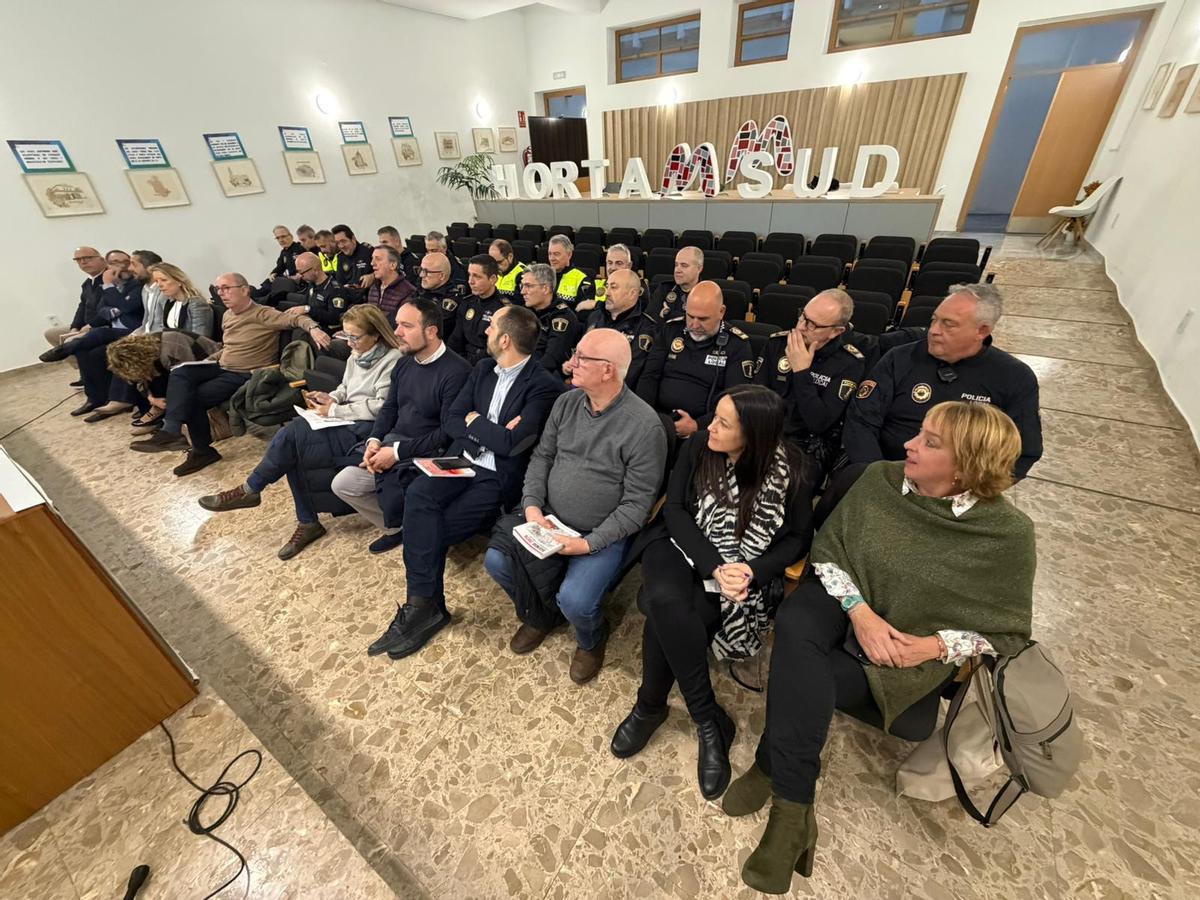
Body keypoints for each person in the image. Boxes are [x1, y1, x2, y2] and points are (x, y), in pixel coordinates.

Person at [726, 402, 1035, 894]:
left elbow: (1007, 632)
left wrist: (933, 647)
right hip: (847, 604)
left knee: (807, 677)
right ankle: (793, 808)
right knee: (798, 620)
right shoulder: (881, 480)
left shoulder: (1007, 535)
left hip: (906, 648)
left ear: (969, 464)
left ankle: (772, 769)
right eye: (920, 433)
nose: (910, 443)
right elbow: (830, 549)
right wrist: (860, 612)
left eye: (931, 442)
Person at [611, 385, 813, 799]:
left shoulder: (792, 468)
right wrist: (714, 567)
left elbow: (796, 537)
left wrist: (751, 571)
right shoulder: (701, 446)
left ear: (753, 434)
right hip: (681, 547)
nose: (710, 427)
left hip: (743, 566)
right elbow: (675, 510)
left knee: (666, 617)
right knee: (667, 600)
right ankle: (708, 719)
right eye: (714, 417)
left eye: (724, 422)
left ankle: (650, 706)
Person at [368, 305, 566, 659]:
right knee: (418, 496)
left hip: (496, 476)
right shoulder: (483, 368)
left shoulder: (544, 385)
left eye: (491, 329)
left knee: (430, 530)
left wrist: (475, 422)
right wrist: (482, 426)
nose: (485, 332)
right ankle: (424, 605)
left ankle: (426, 609)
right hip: (459, 459)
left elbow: (512, 445)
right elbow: (453, 418)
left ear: (505, 339)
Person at [484, 329, 668, 684]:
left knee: (577, 601)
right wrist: (534, 508)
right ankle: (541, 614)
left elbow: (636, 506)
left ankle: (590, 637)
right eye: (575, 353)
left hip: (599, 533)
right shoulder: (566, 402)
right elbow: (542, 458)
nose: (573, 362)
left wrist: (586, 544)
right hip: (549, 518)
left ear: (608, 370)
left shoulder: (645, 428)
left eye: (583, 358)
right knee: (496, 560)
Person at [196, 305, 404, 559]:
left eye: (355, 337)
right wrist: (330, 397)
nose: (349, 343)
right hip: (345, 418)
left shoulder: (392, 360)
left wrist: (334, 411)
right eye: (346, 336)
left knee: (292, 437)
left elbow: (381, 407)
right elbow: (345, 388)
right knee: (294, 442)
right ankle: (302, 519)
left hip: (366, 429)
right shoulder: (356, 354)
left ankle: (253, 491)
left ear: (376, 335)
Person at [130, 273, 332, 476]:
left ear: (245, 290)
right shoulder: (228, 315)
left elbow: (296, 319)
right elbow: (229, 348)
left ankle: (195, 447)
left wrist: (314, 329)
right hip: (222, 365)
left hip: (245, 373)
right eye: (219, 289)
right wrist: (207, 361)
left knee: (193, 398)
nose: (222, 294)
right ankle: (173, 430)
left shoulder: (263, 314)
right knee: (180, 371)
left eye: (227, 288)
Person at [842, 283, 1043, 478]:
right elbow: (861, 421)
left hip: (957, 487)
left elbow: (1021, 453)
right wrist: (878, 477)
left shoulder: (1014, 377)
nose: (934, 330)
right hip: (884, 470)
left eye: (949, 324)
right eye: (934, 320)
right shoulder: (900, 358)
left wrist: (966, 491)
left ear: (982, 331)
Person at [330, 296, 471, 553]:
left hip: (428, 454)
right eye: (397, 324)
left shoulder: (457, 371)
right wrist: (374, 441)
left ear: (431, 331)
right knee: (343, 483)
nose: (396, 332)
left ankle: (413, 524)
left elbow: (448, 433)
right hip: (393, 444)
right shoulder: (404, 362)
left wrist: (394, 454)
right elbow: (389, 408)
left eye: (406, 326)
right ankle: (397, 528)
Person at [755, 289, 866, 473]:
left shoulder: (849, 363)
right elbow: (755, 395)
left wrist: (801, 372)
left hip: (807, 445)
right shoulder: (778, 344)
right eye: (802, 317)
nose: (800, 327)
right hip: (764, 431)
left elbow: (819, 422)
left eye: (812, 325)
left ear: (836, 331)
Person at [637, 281, 755, 443]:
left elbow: (735, 400)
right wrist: (647, 417)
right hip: (658, 420)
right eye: (690, 316)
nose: (694, 324)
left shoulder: (737, 344)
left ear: (721, 312)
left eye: (703, 319)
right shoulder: (671, 329)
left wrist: (697, 426)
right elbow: (649, 377)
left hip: (706, 431)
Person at [40, 252, 145, 417]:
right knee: (90, 352)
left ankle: (66, 349)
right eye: (115, 262)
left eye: (126, 261)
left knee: (98, 334)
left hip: (131, 330)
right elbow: (101, 310)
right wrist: (112, 307)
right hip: (113, 329)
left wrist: (110, 290)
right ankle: (96, 399)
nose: (122, 266)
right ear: (108, 265)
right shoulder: (104, 284)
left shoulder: (136, 284)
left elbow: (127, 307)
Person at [106, 330, 224, 436]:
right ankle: (161, 417)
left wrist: (172, 401)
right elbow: (141, 379)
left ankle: (172, 425)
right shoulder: (149, 350)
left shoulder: (171, 347)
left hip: (215, 365)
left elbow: (188, 376)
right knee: (152, 375)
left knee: (164, 377)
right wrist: (152, 399)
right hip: (185, 370)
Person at [583, 268, 658, 390]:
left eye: (614, 287)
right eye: (607, 286)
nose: (606, 292)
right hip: (585, 386)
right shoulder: (595, 317)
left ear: (632, 293)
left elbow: (630, 373)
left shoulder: (646, 328)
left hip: (617, 395)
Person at [43, 246, 108, 353]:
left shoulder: (110, 278)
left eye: (88, 258)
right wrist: (75, 327)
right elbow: (82, 307)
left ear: (101, 259)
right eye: (78, 260)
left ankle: (87, 366)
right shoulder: (87, 284)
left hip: (103, 324)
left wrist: (91, 325)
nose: (83, 262)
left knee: (71, 341)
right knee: (51, 334)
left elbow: (112, 307)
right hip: (87, 325)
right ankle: (81, 365)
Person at [520, 262, 581, 374]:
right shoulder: (525, 312)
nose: (522, 291)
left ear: (545, 289)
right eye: (522, 286)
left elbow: (550, 361)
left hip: (543, 378)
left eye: (528, 286)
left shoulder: (562, 318)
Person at [448, 254, 508, 364]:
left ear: (493, 279)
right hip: (463, 359)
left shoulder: (503, 309)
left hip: (487, 364)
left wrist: (466, 364)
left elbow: (494, 350)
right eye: (469, 275)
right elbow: (456, 338)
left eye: (477, 276)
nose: (470, 281)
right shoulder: (467, 303)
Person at [288, 251, 355, 332]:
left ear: (315, 270)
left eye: (302, 272)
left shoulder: (335, 290)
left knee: (297, 332)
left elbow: (335, 318)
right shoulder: (312, 284)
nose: (300, 276)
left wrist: (309, 310)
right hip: (313, 325)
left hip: (327, 331)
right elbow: (306, 303)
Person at [413, 252, 469, 342]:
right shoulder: (421, 288)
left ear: (442, 276)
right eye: (420, 270)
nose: (421, 275)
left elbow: (432, 327)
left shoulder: (451, 298)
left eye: (426, 272)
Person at [150, 263, 214, 337]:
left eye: (164, 280)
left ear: (179, 281)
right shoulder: (165, 300)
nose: (159, 285)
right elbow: (159, 329)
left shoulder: (196, 303)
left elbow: (201, 337)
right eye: (156, 281)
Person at [649, 246, 703, 322]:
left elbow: (706, 324)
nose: (677, 270)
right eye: (676, 265)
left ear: (699, 268)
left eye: (684, 266)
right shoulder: (664, 289)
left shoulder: (708, 294)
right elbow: (648, 321)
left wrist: (668, 314)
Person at [365, 246, 416, 326]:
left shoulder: (408, 292)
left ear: (393, 265)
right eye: (372, 259)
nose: (372, 263)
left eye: (378, 259)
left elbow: (401, 323)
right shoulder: (373, 288)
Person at [546, 235, 594, 311]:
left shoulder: (581, 279)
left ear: (569, 255)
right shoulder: (543, 276)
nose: (552, 258)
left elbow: (583, 313)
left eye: (556, 254)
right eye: (549, 254)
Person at [332, 224, 374, 298]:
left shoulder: (368, 251)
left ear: (353, 239)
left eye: (343, 241)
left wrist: (373, 276)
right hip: (350, 299)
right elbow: (340, 283)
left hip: (368, 298)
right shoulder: (340, 257)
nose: (341, 246)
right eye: (338, 243)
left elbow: (386, 270)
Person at [488, 238, 526, 304]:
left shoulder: (523, 274)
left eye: (499, 262)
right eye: (492, 262)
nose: (495, 266)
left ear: (510, 257)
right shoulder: (491, 270)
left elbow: (521, 302)